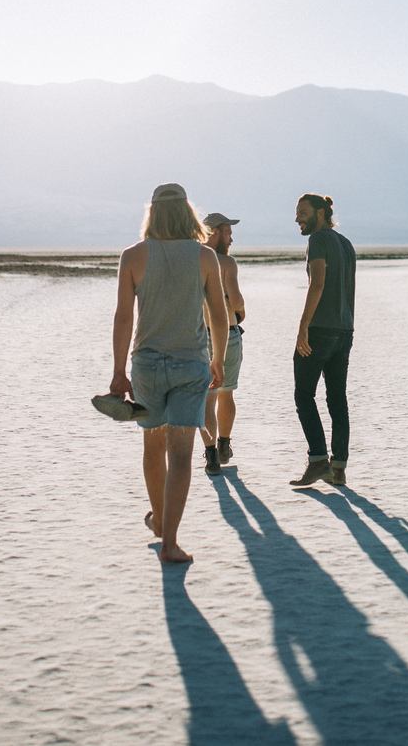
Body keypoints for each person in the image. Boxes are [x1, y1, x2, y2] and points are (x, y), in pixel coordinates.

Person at [109, 183, 228, 563]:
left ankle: (159, 519)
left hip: (146, 365)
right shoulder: (205, 257)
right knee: (180, 455)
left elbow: (124, 317)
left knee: (152, 446)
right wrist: (219, 359)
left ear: (153, 214)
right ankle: (169, 542)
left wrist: (117, 371)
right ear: (187, 214)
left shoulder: (133, 256)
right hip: (191, 364)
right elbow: (219, 317)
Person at [289, 192, 357, 488]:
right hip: (344, 331)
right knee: (336, 398)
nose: (297, 218)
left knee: (304, 395)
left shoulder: (318, 241)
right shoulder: (346, 244)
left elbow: (317, 284)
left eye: (303, 212)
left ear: (320, 212)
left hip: (320, 330)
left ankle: (318, 460)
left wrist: (303, 327)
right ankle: (338, 468)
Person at [199, 212, 246, 475]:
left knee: (207, 397)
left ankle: (211, 455)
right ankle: (224, 443)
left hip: (198, 335)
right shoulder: (226, 263)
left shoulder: (192, 259)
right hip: (226, 332)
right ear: (215, 232)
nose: (231, 237)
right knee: (226, 391)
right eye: (228, 232)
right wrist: (241, 311)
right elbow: (236, 300)